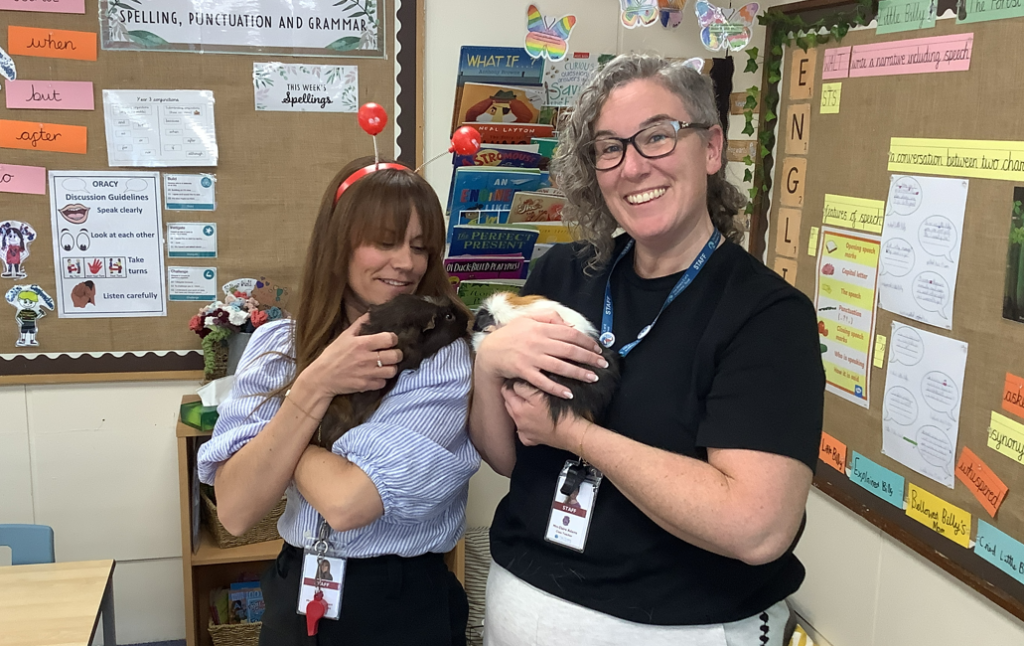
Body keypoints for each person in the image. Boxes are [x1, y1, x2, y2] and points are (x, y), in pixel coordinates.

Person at [470, 54, 825, 645]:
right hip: (521, 602)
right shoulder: (561, 275)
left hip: (683, 624)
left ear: (711, 148)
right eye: (610, 148)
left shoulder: (765, 316)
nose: (633, 167)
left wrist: (576, 436)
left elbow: (757, 527)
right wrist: (489, 364)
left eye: (657, 136)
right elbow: (504, 456)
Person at [197, 156, 478, 646]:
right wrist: (313, 387)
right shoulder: (278, 346)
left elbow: (349, 501)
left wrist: (285, 440)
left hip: (400, 599)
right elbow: (237, 511)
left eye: (420, 247)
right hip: (298, 587)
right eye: (385, 242)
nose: (406, 263)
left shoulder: (443, 356)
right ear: (338, 243)